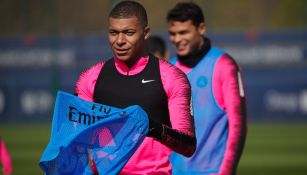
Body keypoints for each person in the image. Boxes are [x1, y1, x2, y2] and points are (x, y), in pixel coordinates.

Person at [75, 1, 196, 174]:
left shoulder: (172, 77)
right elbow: (76, 139)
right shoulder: (90, 79)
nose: (120, 41)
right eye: (113, 33)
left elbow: (188, 146)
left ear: (145, 33)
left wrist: (154, 128)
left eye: (129, 33)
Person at [167, 2, 247, 175]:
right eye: (173, 34)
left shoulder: (224, 65)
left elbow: (237, 124)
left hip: (212, 171)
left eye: (183, 32)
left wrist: (226, 171)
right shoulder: (169, 69)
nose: (177, 39)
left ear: (201, 28)